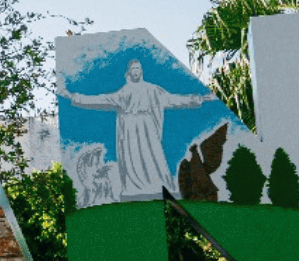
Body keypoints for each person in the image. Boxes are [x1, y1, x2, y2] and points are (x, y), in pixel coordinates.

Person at [60, 59, 208, 200]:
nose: (136, 72)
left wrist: (199, 98)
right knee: (132, 160)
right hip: (130, 130)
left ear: (141, 71)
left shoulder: (152, 89)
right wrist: (73, 97)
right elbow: (101, 100)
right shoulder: (124, 92)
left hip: (147, 127)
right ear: (129, 72)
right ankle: (135, 188)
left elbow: (174, 100)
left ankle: (161, 184)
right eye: (133, 69)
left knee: (154, 157)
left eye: (138, 69)